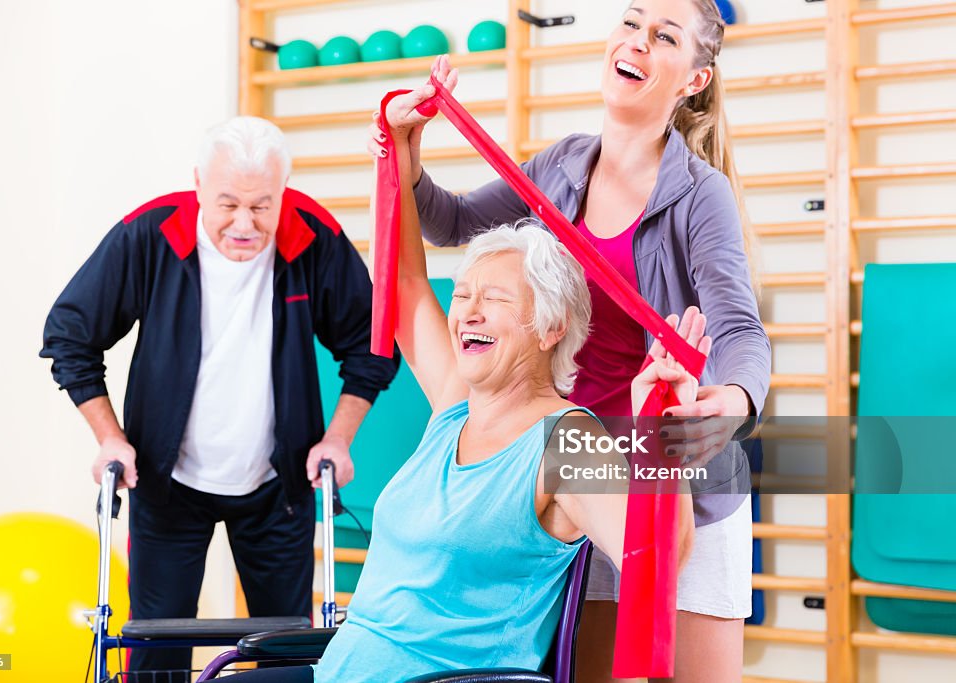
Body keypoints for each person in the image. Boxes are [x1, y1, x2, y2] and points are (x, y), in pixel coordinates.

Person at [368, 1, 771, 680]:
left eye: (664, 36)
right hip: (584, 472)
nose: (637, 41)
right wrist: (406, 150)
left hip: (677, 480)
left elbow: (737, 326)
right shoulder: (561, 165)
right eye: (631, 22)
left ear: (693, 80)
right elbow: (452, 221)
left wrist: (730, 401)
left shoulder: (702, 196)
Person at [223, 118, 706, 681]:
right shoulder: (456, 409)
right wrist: (400, 150)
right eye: (465, 295)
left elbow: (657, 561)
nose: (468, 312)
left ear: (552, 326)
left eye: (494, 298)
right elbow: (403, 285)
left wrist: (666, 432)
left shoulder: (567, 441)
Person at [40, 116, 399, 677]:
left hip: (277, 486)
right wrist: (110, 439)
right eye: (228, 203)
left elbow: (373, 346)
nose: (244, 224)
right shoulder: (150, 235)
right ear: (198, 186)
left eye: (262, 206)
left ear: (283, 192)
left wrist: (338, 439)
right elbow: (69, 335)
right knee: (156, 650)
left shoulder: (311, 235)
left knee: (288, 652)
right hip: (166, 484)